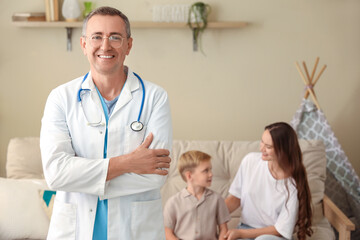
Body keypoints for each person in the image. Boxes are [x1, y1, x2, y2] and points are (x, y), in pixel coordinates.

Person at [40, 6, 172, 240]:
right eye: (97, 37)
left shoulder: (155, 97)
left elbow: (156, 174)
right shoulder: (60, 98)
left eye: (115, 37)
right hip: (75, 229)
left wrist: (83, 177)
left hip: (134, 230)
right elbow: (56, 174)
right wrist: (129, 162)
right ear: (83, 44)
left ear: (128, 45)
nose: (105, 45)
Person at [224, 122, 313, 240]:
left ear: (284, 150)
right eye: (262, 142)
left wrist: (240, 234)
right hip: (245, 229)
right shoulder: (250, 161)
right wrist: (211, 215)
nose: (262, 148)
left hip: (273, 236)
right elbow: (235, 199)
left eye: (268, 147)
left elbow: (280, 229)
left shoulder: (293, 185)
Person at [163, 150, 230, 240]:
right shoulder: (173, 202)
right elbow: (167, 231)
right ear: (189, 176)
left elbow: (224, 229)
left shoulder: (217, 199)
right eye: (206, 171)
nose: (211, 174)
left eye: (210, 169)